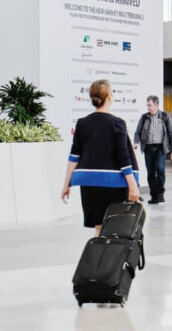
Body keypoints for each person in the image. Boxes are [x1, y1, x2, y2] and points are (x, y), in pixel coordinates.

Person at [62, 79, 140, 235]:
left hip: (89, 184)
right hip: (113, 184)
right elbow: (123, 157)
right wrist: (133, 185)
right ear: (109, 97)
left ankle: (97, 259)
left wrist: (67, 184)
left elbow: (74, 156)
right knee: (115, 227)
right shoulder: (117, 123)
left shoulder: (82, 123)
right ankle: (111, 259)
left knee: (99, 226)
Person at [133, 95, 172, 205]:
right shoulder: (144, 117)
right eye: (147, 105)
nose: (148, 107)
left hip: (160, 148)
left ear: (157, 105)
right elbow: (137, 132)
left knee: (160, 169)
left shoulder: (165, 117)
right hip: (148, 148)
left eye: (150, 105)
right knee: (151, 173)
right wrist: (136, 142)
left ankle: (160, 194)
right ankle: (153, 196)